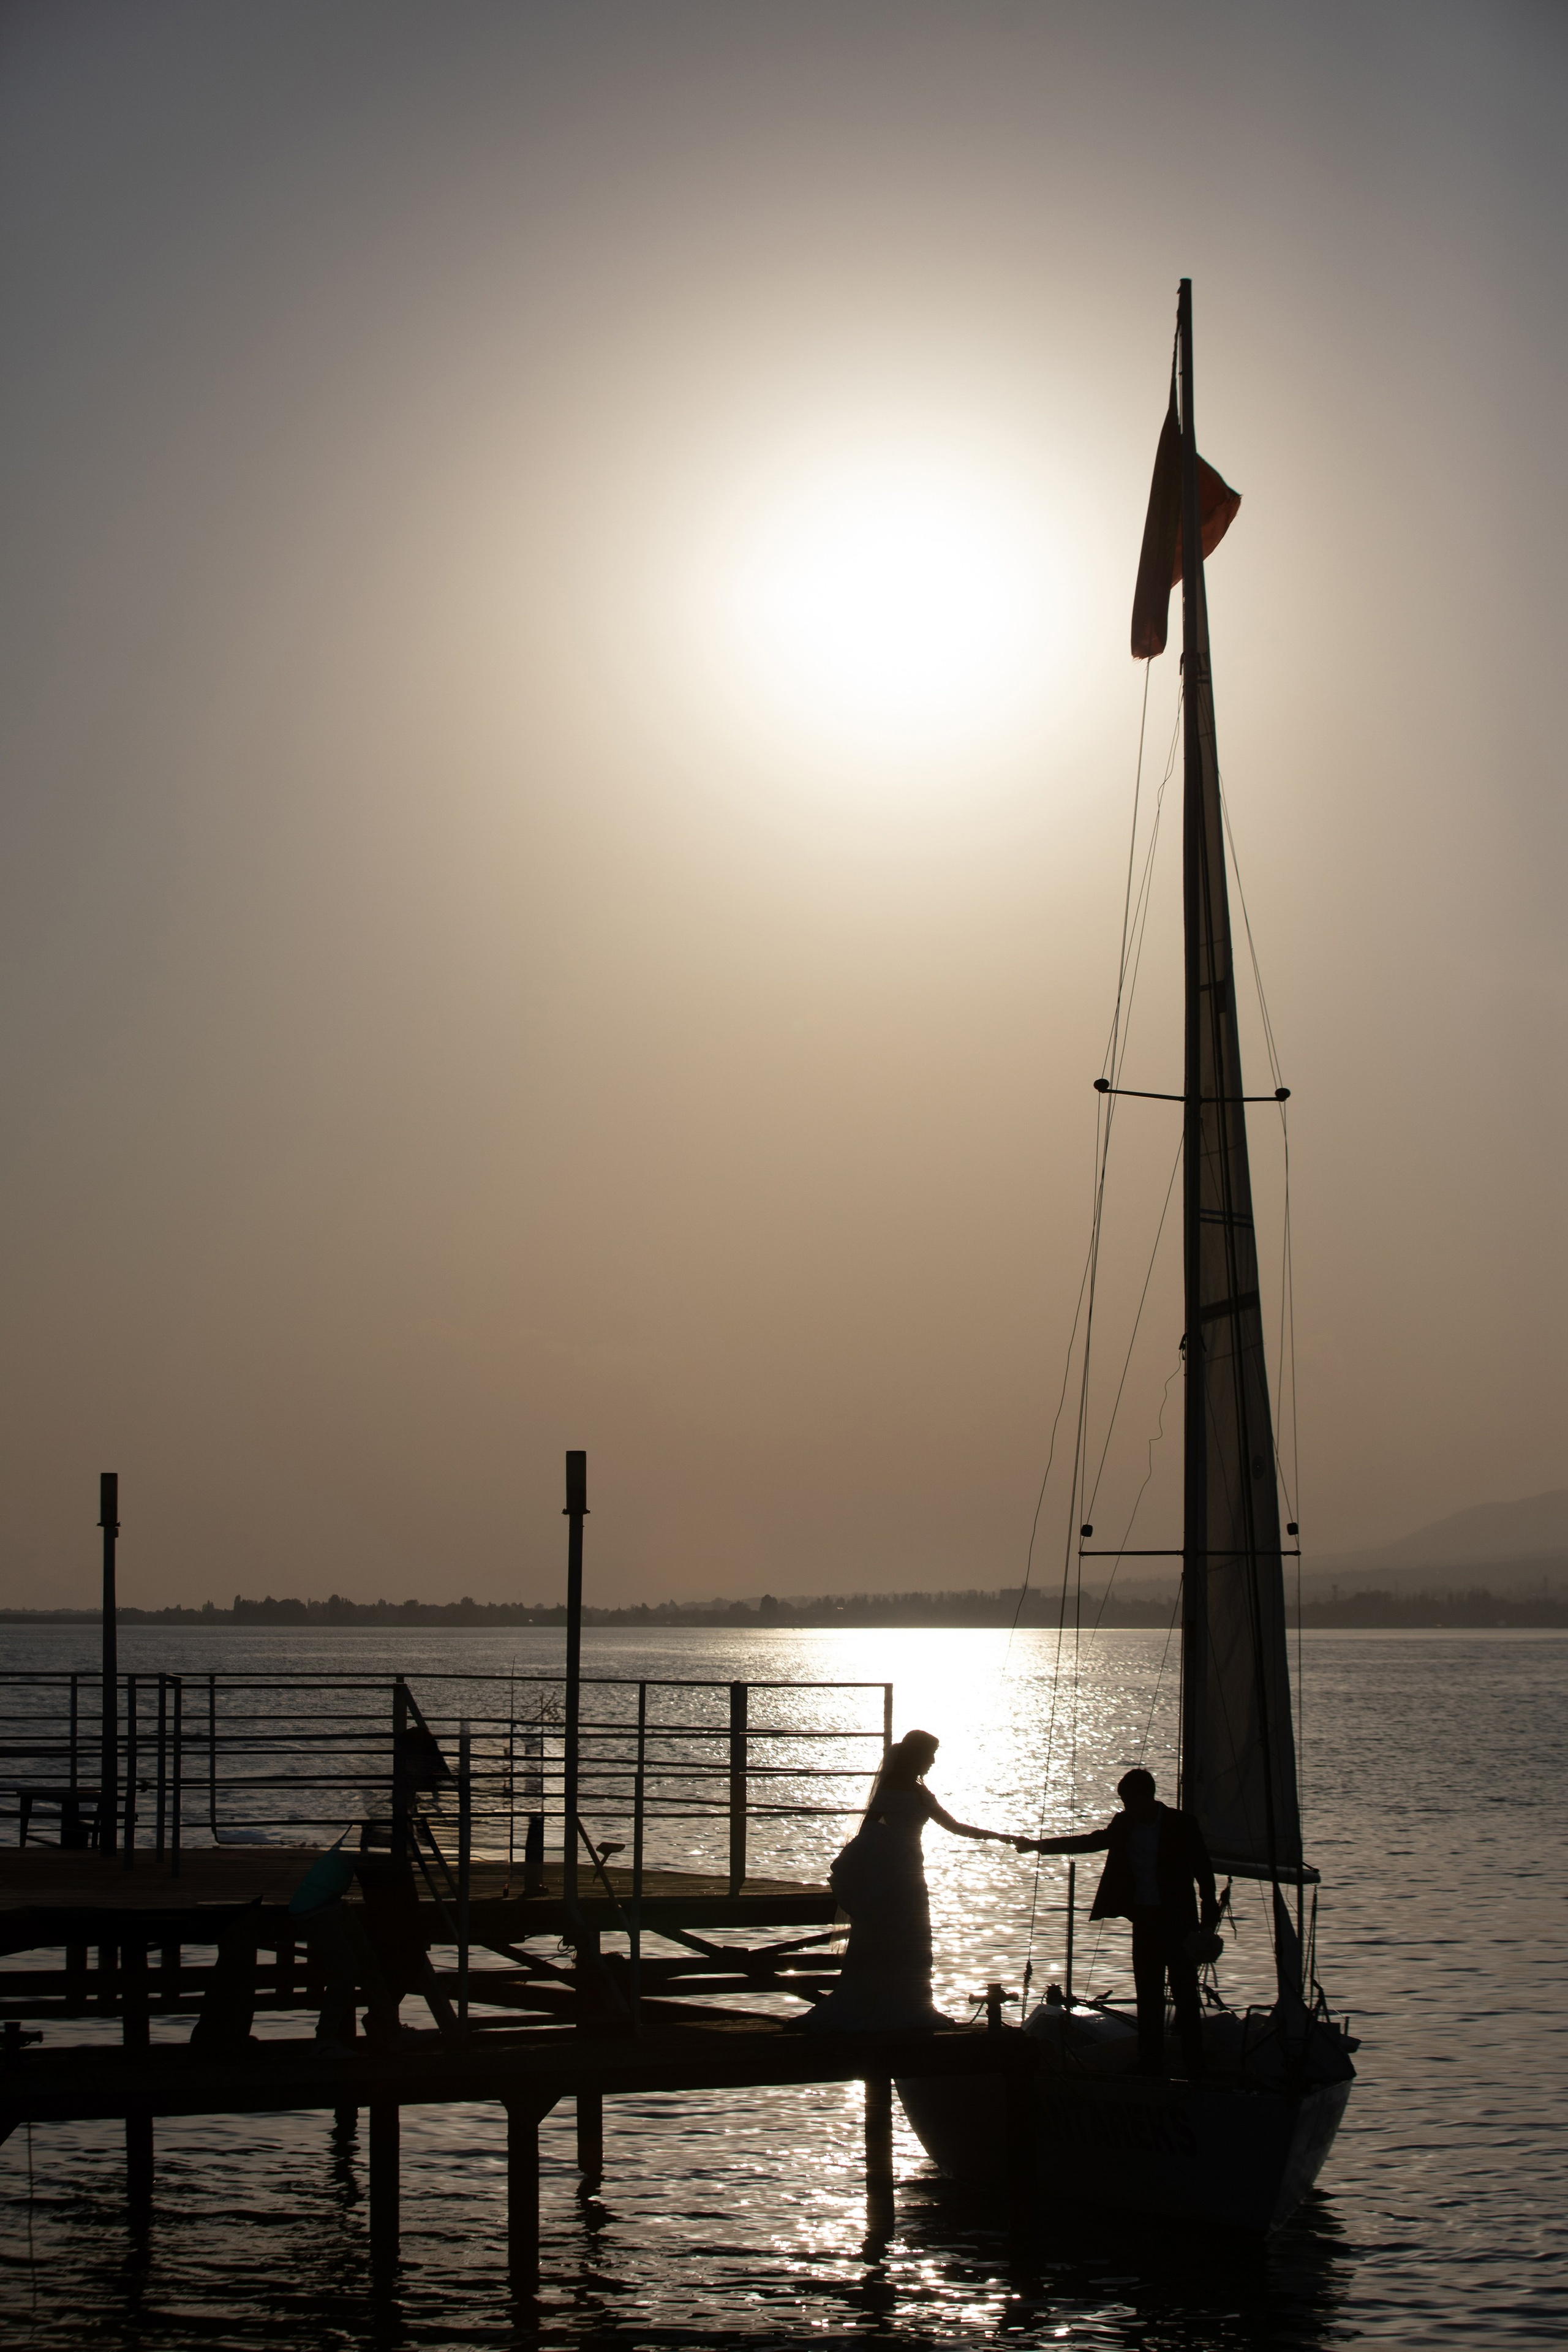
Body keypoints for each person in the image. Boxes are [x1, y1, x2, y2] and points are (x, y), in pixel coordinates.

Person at [807, 1728, 1019, 2032]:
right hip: (894, 1873)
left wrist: (999, 1837)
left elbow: (954, 1826)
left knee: (914, 1939)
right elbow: (868, 1830)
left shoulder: (921, 1791)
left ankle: (911, 2003)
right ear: (915, 1757)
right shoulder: (890, 1791)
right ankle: (880, 2004)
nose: (932, 1761)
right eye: (930, 1755)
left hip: (912, 1873)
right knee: (888, 1938)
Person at [1017, 1766, 1218, 2079]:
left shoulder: (1182, 1824)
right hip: (1145, 1921)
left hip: (1180, 1924)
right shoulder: (1125, 1823)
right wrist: (1039, 1846)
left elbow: (1205, 1877)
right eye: (1123, 1802)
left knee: (1185, 1995)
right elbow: (1090, 1842)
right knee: (1148, 1994)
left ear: (1146, 1797)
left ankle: (1197, 2067)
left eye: (1129, 1801)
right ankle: (1150, 2063)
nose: (1125, 1808)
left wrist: (1208, 1926)